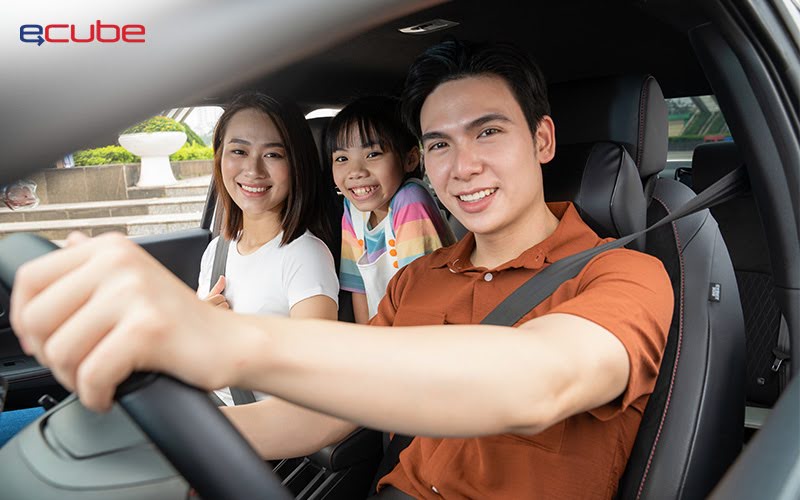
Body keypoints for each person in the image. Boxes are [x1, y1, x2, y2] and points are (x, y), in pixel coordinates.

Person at [10, 40, 673, 499]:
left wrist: (228, 343)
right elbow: (320, 417)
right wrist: (155, 439)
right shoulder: (417, 279)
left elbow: (539, 383)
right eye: (440, 143)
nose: (462, 166)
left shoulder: (624, 276)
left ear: (543, 140)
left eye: (489, 132)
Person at [196, 92, 340, 406]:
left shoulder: (306, 257)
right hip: (201, 408)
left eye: (273, 155)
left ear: (296, 163)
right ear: (220, 157)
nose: (253, 170)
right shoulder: (217, 251)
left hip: (253, 433)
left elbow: (313, 381)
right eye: (238, 151)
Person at [326, 96, 455, 322]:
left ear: (410, 159)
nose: (355, 171)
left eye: (372, 154)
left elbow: (419, 295)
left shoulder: (410, 200)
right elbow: (359, 287)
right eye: (342, 158)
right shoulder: (352, 209)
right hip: (387, 335)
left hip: (426, 328)